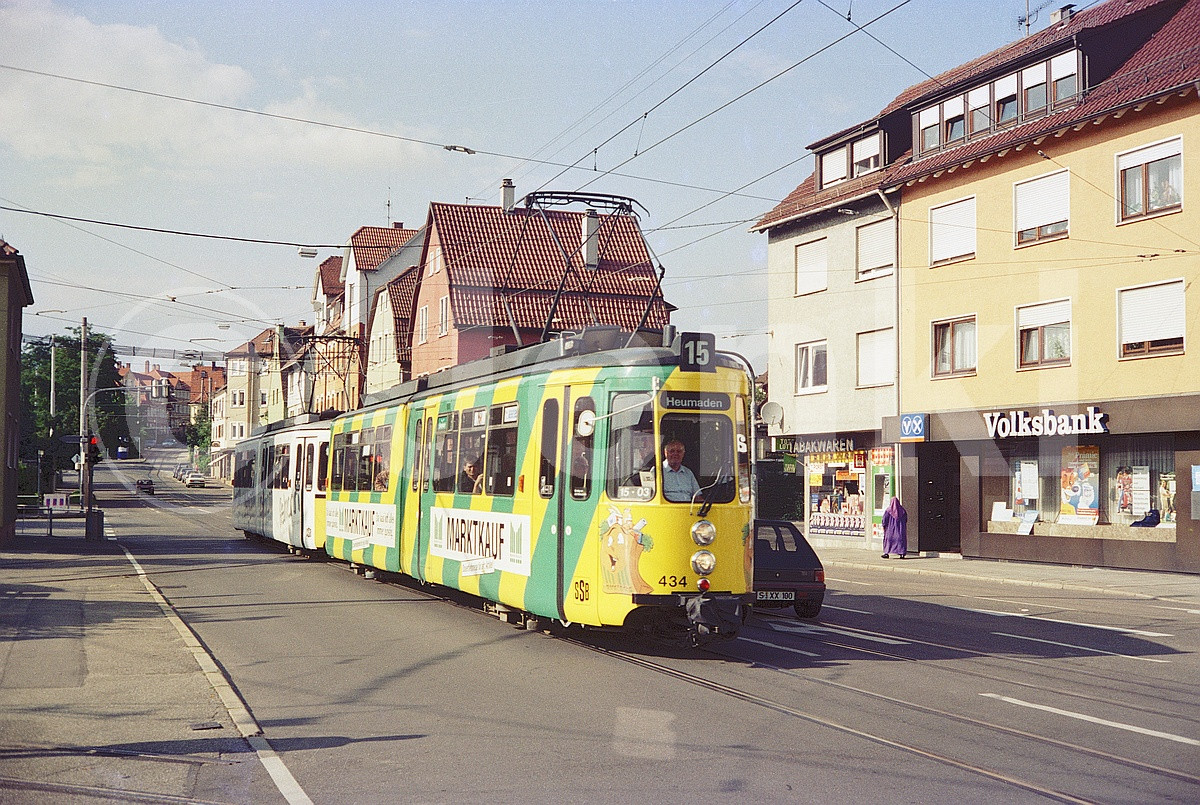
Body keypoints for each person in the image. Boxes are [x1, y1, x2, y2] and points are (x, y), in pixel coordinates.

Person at [661, 439, 701, 503]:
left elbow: (697, 496)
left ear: (683, 454)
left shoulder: (688, 473)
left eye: (679, 451)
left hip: (688, 510)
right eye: (672, 451)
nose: (675, 454)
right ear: (666, 453)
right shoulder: (657, 472)